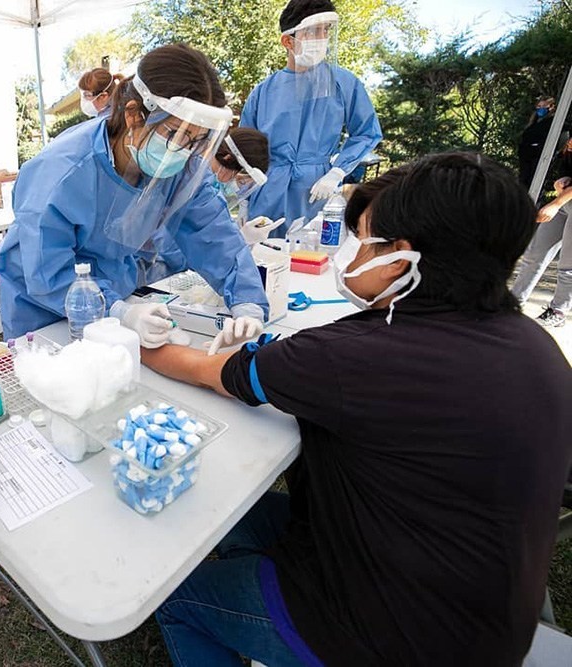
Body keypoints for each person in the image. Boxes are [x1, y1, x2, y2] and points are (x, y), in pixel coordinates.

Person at [143, 152, 572, 666]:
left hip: (383, 635)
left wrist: (133, 337)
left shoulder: (350, 356)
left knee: (176, 599)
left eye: (361, 241)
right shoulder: (536, 346)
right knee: (237, 512)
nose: (348, 258)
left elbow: (206, 370)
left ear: (400, 257)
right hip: (481, 622)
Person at [0, 44, 269, 348]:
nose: (186, 151)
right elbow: (44, 269)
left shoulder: (182, 167)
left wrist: (248, 304)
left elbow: (215, 236)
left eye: (198, 140)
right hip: (42, 308)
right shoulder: (63, 170)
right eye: (177, 134)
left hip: (113, 294)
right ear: (134, 115)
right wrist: (120, 313)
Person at [240, 0, 382, 235]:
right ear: (288, 40)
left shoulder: (343, 84)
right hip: (267, 191)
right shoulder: (263, 92)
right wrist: (244, 199)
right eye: (313, 31)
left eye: (325, 31)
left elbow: (367, 131)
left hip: (315, 191)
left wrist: (336, 171)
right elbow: (245, 152)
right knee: (264, 259)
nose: (322, 38)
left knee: (310, 260)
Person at [137, 126, 274, 283]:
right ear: (228, 158)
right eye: (241, 181)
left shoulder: (210, 187)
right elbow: (173, 250)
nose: (237, 187)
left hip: (171, 277)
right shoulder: (188, 182)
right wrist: (237, 240)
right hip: (151, 276)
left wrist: (235, 239)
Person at [511, 137, 572, 327]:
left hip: (561, 203)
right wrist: (562, 181)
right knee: (535, 253)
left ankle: (558, 310)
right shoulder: (568, 143)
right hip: (566, 200)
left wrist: (554, 204)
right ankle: (514, 302)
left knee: (568, 265)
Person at [518, 96, 557, 188]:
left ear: (550, 107)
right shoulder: (534, 122)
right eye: (538, 106)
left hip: (539, 156)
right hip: (526, 157)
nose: (540, 109)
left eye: (543, 106)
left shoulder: (552, 122)